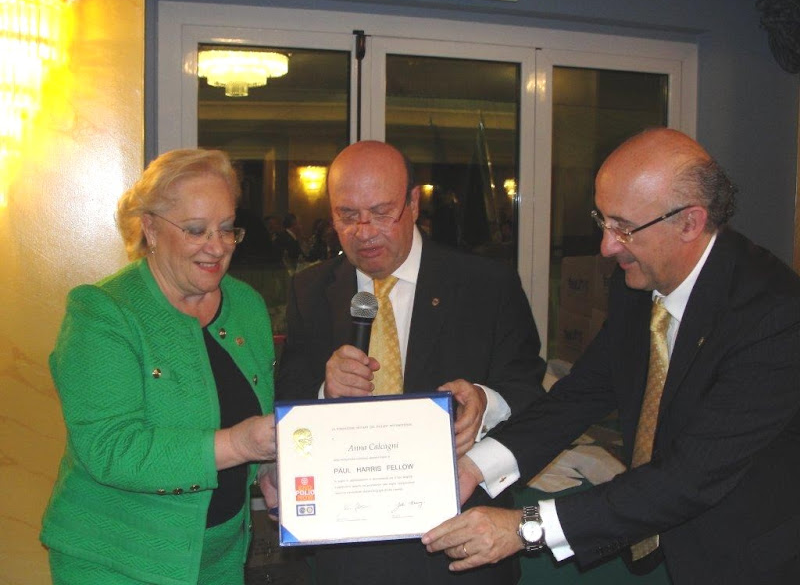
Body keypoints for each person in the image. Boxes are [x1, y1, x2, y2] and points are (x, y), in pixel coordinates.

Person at [422, 128, 800, 584]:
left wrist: (526, 527)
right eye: (602, 221)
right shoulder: (638, 281)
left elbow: (690, 477)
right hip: (670, 536)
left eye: (623, 227)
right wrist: (474, 466)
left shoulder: (775, 316)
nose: (607, 246)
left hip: (749, 557)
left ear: (689, 223)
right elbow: (581, 393)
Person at [276, 140, 547, 584]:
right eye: (347, 215)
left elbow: (529, 391)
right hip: (348, 545)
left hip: (463, 542)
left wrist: (486, 401)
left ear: (414, 203)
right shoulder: (310, 290)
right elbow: (288, 398)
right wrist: (325, 392)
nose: (364, 232)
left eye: (382, 212)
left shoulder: (486, 284)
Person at [40, 149, 279, 585]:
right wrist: (240, 444)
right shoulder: (104, 312)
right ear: (150, 228)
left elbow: (252, 409)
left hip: (221, 559)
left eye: (227, 228)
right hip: (116, 561)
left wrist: (269, 469)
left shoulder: (246, 305)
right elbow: (112, 449)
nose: (218, 246)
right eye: (196, 230)